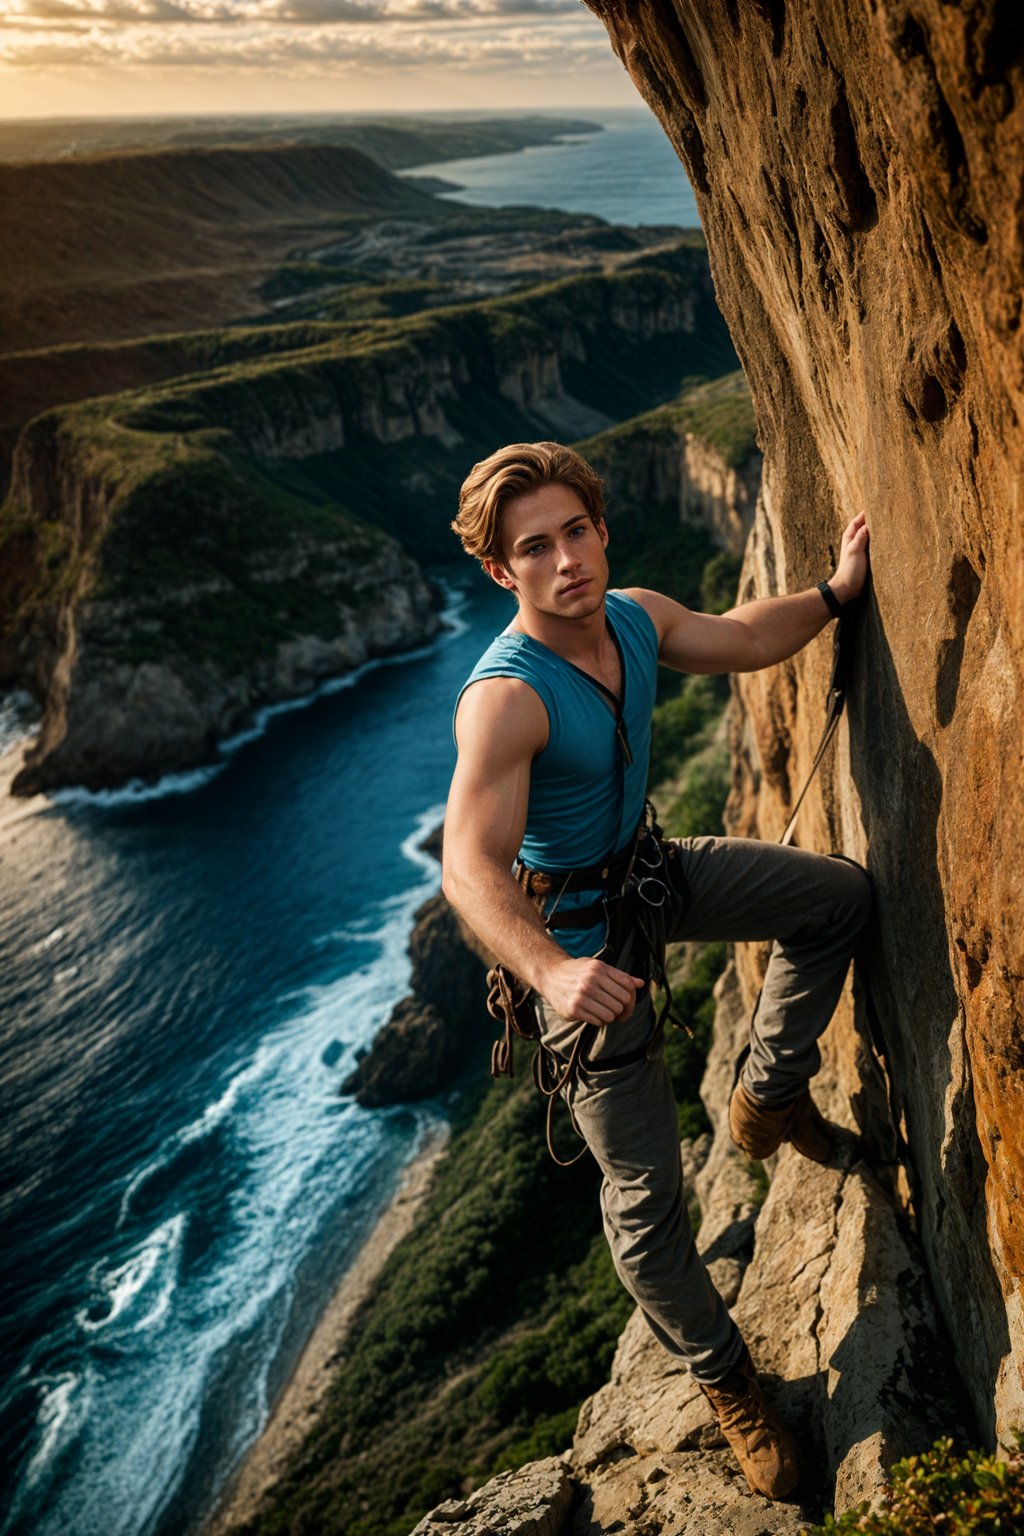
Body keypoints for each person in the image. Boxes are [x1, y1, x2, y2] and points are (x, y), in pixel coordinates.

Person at [441, 440, 872, 1501]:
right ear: (502, 571)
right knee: (644, 1201)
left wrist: (830, 592)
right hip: (579, 947)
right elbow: (466, 865)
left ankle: (766, 1100)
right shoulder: (506, 698)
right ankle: (726, 1380)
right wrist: (547, 974)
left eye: (574, 531)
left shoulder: (631, 617)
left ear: (599, 527)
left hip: (650, 877)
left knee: (836, 898)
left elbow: (736, 636)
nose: (564, 562)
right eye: (532, 548)